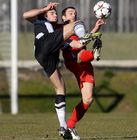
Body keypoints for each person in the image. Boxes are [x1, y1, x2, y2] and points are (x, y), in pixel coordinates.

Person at [23, 2, 99, 139]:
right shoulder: (41, 21)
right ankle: (67, 126)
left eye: (55, 13)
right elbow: (25, 15)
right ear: (44, 16)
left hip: (47, 56)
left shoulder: (58, 34)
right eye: (52, 13)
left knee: (60, 88)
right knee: (78, 23)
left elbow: (78, 44)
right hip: (45, 44)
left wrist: (91, 36)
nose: (54, 14)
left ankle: (63, 127)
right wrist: (44, 9)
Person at [61, 6, 105, 140]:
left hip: (85, 66)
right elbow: (78, 44)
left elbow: (84, 39)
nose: (73, 14)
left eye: (74, 12)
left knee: (88, 99)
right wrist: (89, 38)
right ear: (64, 17)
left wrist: (96, 28)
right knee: (79, 53)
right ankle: (93, 53)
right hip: (74, 62)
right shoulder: (62, 32)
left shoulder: (79, 27)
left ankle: (70, 126)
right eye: (70, 13)